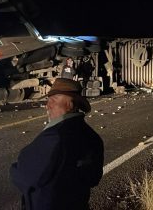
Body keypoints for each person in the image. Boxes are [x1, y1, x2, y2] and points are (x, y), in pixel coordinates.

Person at [10, 78, 104, 210]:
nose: (48, 106)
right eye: (48, 101)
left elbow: (25, 176)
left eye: (53, 100)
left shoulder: (55, 137)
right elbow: (94, 178)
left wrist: (14, 168)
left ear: (70, 104)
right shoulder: (92, 137)